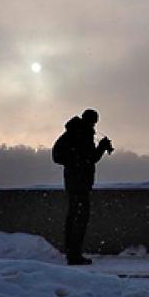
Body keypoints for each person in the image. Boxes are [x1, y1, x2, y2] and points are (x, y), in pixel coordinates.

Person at [52, 109, 113, 265]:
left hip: (75, 182)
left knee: (74, 217)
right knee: (79, 218)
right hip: (79, 183)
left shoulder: (73, 133)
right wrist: (100, 148)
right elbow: (90, 158)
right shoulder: (80, 134)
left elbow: (87, 158)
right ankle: (74, 255)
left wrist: (97, 149)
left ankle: (72, 253)